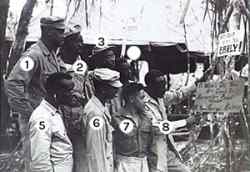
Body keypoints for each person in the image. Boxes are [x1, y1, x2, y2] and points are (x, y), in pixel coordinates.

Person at [5, 16, 66, 171]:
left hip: (49, 119)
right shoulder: (33, 55)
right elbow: (13, 83)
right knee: (36, 164)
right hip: (36, 121)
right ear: (48, 32)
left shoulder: (51, 55)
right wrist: (30, 114)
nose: (63, 35)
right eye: (59, 32)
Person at [143, 69, 207, 172]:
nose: (164, 89)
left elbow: (179, 95)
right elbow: (158, 127)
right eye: (160, 85)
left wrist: (199, 82)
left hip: (165, 149)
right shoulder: (142, 103)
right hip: (151, 152)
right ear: (150, 86)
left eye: (164, 84)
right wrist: (186, 122)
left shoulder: (159, 95)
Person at [59, 25, 94, 172]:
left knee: (82, 162)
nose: (81, 45)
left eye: (82, 41)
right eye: (77, 42)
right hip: (61, 119)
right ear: (66, 43)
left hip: (80, 121)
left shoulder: (83, 66)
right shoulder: (55, 63)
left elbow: (88, 94)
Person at [29, 72, 74, 172]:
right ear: (55, 93)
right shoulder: (42, 118)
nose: (72, 94)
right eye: (68, 91)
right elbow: (40, 160)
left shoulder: (56, 111)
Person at [80, 68, 123, 172]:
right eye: (113, 88)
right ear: (103, 89)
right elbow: (95, 153)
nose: (117, 92)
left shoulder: (102, 107)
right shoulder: (95, 114)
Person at [112, 83, 153, 172]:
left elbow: (152, 145)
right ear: (131, 99)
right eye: (142, 98)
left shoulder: (147, 118)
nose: (145, 101)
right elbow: (111, 145)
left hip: (143, 163)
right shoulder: (117, 118)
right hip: (124, 164)